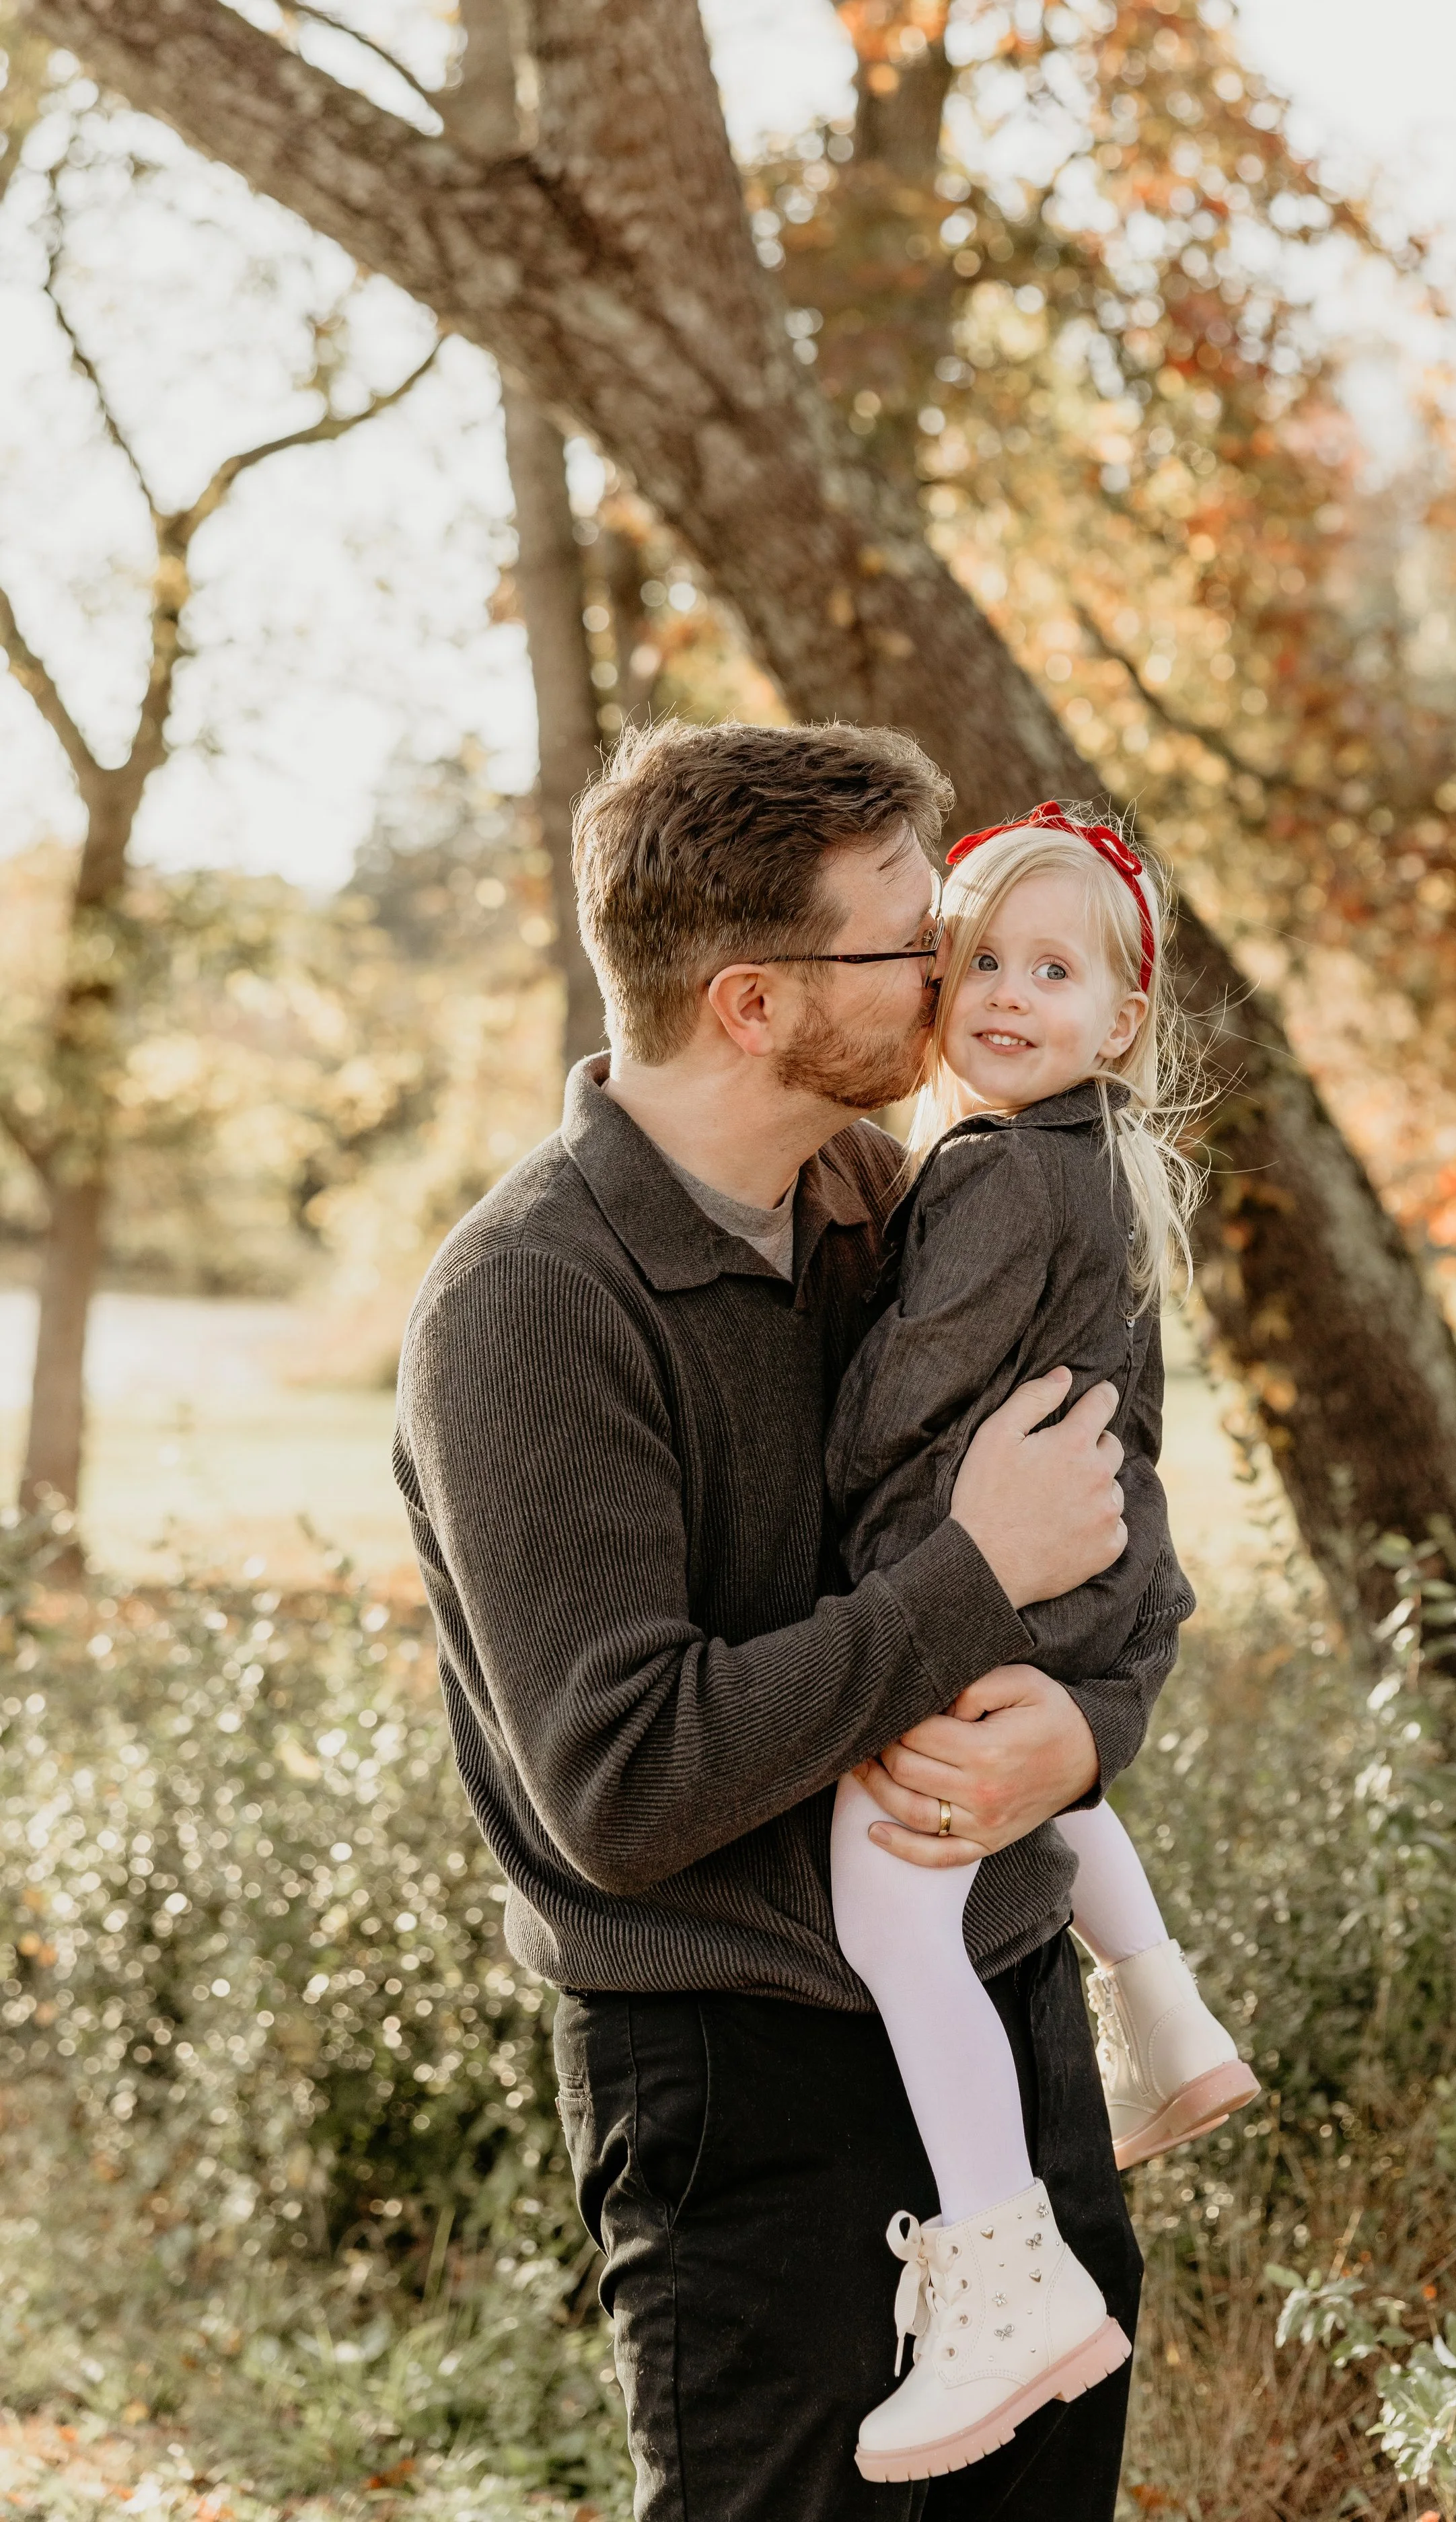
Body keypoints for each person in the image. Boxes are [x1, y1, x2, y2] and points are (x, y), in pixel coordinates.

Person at [394, 722, 1150, 2522]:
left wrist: (1085, 1728)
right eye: (911, 940)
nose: (957, 967)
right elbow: (626, 1780)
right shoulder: (524, 1307)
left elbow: (1113, 1523)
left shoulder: (908, 1199)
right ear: (748, 1002)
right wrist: (970, 1579)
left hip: (1001, 2016)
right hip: (747, 2086)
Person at [824, 802, 1260, 2483]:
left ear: (1120, 1014)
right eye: (980, 959)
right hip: (1081, 1572)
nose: (1006, 993)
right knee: (1056, 1781)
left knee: (891, 1894)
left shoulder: (995, 1170)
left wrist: (833, 1459)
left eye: (1052, 968)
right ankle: (1166, 2018)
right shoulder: (1095, 1157)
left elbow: (911, 1387)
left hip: (983, 1561)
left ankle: (1003, 2268)